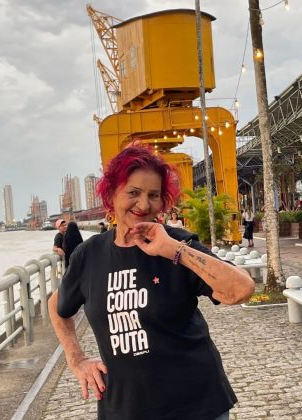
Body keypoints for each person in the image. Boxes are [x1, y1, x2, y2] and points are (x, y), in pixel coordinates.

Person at [48, 144, 255, 420]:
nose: (144, 205)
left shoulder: (178, 243)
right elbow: (57, 305)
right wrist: (77, 360)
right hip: (124, 409)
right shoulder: (90, 254)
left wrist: (175, 251)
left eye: (153, 195)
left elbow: (242, 290)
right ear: (111, 195)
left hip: (196, 407)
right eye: (133, 193)